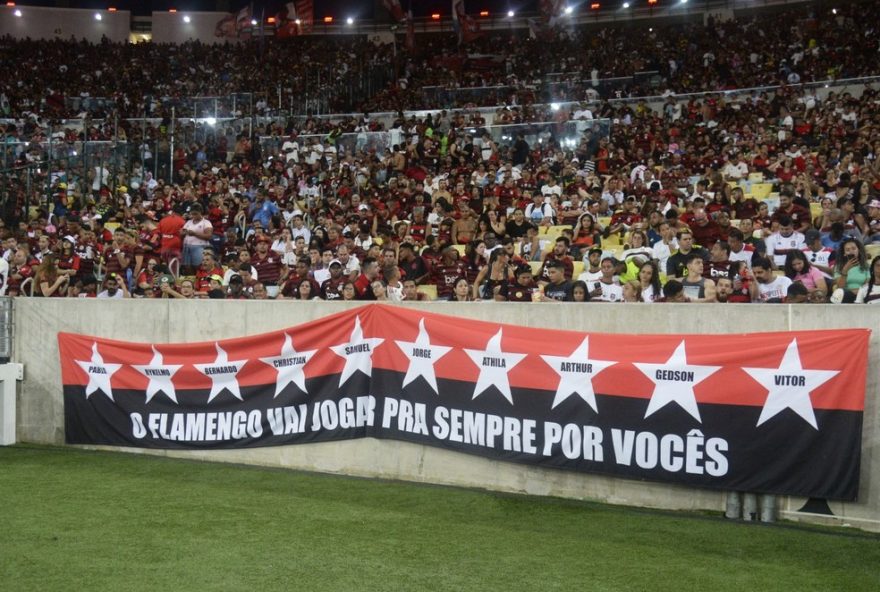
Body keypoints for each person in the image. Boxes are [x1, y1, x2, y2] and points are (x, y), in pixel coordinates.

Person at [831, 238, 870, 303]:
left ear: (858, 250)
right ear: (844, 253)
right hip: (845, 295)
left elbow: (867, 285)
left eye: (854, 248)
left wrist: (857, 292)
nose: (851, 251)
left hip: (862, 294)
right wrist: (845, 270)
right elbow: (840, 287)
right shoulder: (838, 266)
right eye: (847, 250)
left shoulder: (866, 265)